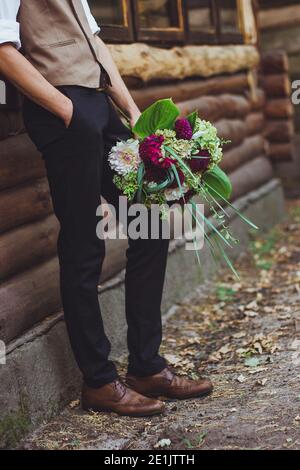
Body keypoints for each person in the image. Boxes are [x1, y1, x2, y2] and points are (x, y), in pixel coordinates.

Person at [0, 0, 213, 417]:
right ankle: (98, 381)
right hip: (65, 111)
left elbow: (94, 40)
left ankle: (147, 367)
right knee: (85, 245)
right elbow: (3, 48)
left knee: (150, 223)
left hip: (100, 108)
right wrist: (67, 111)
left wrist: (133, 111)